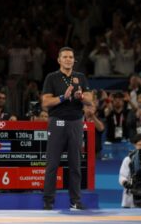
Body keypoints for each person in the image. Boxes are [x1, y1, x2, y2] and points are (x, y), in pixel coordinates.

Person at [41, 47, 93, 210]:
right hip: (57, 122)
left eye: (71, 57)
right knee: (52, 164)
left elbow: (90, 100)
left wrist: (81, 97)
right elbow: (45, 102)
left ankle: (75, 201)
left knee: (75, 164)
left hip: (76, 122)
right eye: (65, 57)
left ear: (74, 60)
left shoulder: (80, 77)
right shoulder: (52, 77)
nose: (68, 59)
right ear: (59, 60)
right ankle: (48, 202)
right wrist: (64, 97)